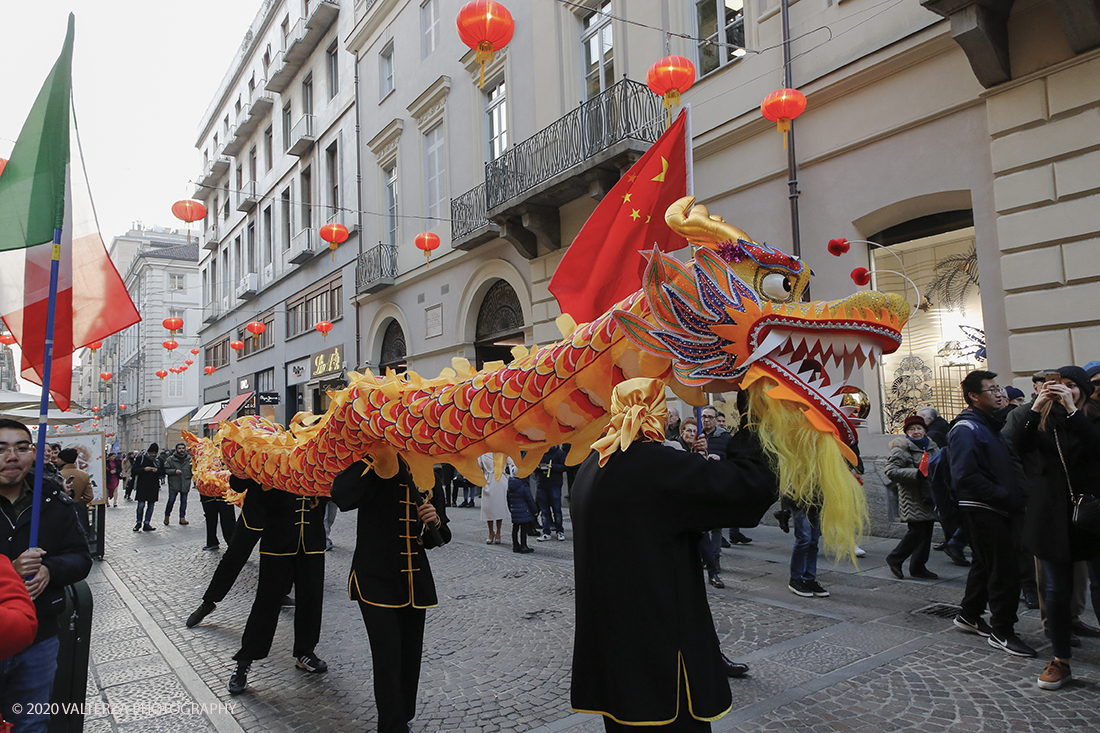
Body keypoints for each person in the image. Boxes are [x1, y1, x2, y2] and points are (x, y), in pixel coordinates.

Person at [570, 379, 777, 731]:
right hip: (661, 654)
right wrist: (755, 414)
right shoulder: (653, 465)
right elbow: (752, 486)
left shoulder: (592, 466)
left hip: (614, 653)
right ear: (657, 415)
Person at [332, 457, 451, 733]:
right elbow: (341, 495)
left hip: (413, 582)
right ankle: (392, 726)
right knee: (387, 659)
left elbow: (441, 535)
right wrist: (374, 456)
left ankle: (402, 717)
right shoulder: (373, 464)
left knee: (410, 657)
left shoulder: (428, 472)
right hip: (374, 579)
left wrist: (433, 523)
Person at [0, 418, 93, 733]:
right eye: (1, 449)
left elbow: (81, 557)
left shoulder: (53, 499)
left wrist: (51, 569)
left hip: (39, 636)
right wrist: (8, 574)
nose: (12, 456)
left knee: (32, 721)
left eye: (21, 448)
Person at [1017, 366, 1100, 690]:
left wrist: (1071, 410)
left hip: (1092, 513)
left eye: (1071, 385)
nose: (1064, 390)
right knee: (1056, 591)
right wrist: (1036, 407)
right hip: (1052, 517)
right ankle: (1061, 660)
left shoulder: (1090, 418)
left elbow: (1095, 448)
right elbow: (1017, 445)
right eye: (1058, 385)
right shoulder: (1040, 421)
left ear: (1082, 389)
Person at [948, 371, 1037, 658]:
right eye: (991, 390)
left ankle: (970, 615)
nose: (999, 394)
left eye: (999, 389)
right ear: (975, 396)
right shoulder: (966, 429)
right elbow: (965, 475)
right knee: (1005, 570)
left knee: (986, 565)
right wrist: (1003, 496)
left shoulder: (988, 425)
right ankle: (1002, 631)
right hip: (983, 508)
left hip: (996, 507)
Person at [227, 479, 328, 694]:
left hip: (311, 538)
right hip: (278, 537)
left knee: (311, 599)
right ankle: (244, 661)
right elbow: (236, 483)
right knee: (266, 601)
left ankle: (305, 652)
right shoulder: (266, 445)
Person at [884, 415, 940, 580]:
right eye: (912, 429)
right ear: (907, 432)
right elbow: (890, 471)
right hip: (913, 497)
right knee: (917, 532)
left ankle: (918, 567)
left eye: (919, 428)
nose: (916, 432)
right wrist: (917, 474)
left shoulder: (932, 447)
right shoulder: (901, 449)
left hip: (929, 496)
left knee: (926, 533)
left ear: (925, 430)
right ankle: (895, 558)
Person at [478, 453, 512, 545]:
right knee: (488, 508)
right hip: (488, 481)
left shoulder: (502, 451)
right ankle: (490, 531)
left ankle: (498, 532)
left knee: (498, 507)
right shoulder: (483, 453)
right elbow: (477, 466)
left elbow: (511, 463)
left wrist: (508, 475)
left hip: (500, 480)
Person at [58, 448, 94, 537]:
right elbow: (89, 496)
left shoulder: (58, 474)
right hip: (80, 511)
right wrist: (78, 499)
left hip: (61, 513)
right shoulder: (84, 475)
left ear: (63, 460)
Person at [536, 444, 568, 542]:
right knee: (544, 511)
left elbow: (565, 466)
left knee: (557, 509)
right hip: (542, 484)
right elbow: (532, 466)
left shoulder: (559, 453)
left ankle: (559, 530)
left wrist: (552, 466)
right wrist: (538, 467)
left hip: (555, 484)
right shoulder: (540, 452)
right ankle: (546, 531)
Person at [132, 443, 164, 532]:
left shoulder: (159, 460)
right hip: (142, 485)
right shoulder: (141, 458)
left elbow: (163, 471)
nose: (153, 455)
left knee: (151, 505)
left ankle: (147, 523)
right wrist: (143, 469)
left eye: (154, 453)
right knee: (140, 505)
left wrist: (157, 470)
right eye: (151, 453)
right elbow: (134, 470)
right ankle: (138, 522)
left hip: (153, 486)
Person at [162, 442, 192, 525]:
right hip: (174, 483)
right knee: (171, 501)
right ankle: (167, 516)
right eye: (179, 448)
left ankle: (182, 518)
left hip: (185, 483)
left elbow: (193, 469)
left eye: (183, 448)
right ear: (176, 449)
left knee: (184, 502)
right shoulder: (170, 459)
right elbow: (166, 469)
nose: (181, 450)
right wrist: (174, 471)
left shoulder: (189, 459)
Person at [507, 474, 537, 553]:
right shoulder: (523, 485)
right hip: (524, 511)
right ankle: (524, 546)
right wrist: (535, 510)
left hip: (515, 511)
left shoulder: (510, 485)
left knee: (515, 528)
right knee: (524, 529)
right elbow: (530, 499)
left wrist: (511, 509)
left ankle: (515, 545)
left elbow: (508, 500)